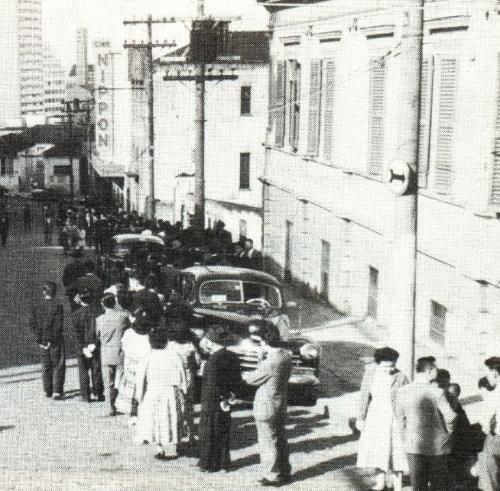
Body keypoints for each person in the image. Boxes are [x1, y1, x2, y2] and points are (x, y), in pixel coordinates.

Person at [242, 320, 292, 487]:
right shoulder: (285, 355)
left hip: (266, 405)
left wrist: (243, 373)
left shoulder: (271, 361)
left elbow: (252, 379)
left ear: (264, 341)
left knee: (267, 441)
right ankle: (285, 471)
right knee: (280, 439)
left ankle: (272, 475)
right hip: (280, 402)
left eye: (258, 341)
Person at [395, 356, 456, 491]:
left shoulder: (402, 391)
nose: (437, 370)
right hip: (437, 447)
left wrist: (405, 439)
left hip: (413, 446)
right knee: (438, 485)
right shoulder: (437, 392)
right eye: (436, 368)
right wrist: (448, 432)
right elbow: (451, 416)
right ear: (429, 371)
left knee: (418, 486)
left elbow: (400, 419)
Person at [356, 347, 408, 491]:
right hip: (376, 416)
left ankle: (398, 485)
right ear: (379, 363)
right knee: (378, 449)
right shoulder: (370, 373)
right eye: (386, 366)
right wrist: (361, 417)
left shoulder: (401, 377)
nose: (389, 369)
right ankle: (380, 482)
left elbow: (407, 399)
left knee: (396, 451)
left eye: (392, 365)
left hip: (394, 417)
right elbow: (364, 396)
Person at [135, 327, 188, 460]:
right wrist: (184, 390)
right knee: (173, 418)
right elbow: (183, 374)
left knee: (156, 420)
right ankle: (177, 445)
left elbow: (140, 379)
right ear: (166, 341)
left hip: (153, 392)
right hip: (171, 392)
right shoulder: (175, 355)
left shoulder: (147, 358)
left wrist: (139, 396)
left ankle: (160, 449)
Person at [198, 325, 243, 473]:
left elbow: (213, 383)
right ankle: (224, 463)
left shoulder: (212, 361)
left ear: (210, 342)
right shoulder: (233, 356)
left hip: (212, 401)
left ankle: (209, 463)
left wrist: (222, 398)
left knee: (209, 432)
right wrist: (230, 396)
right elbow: (237, 380)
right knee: (223, 431)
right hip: (228, 399)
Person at [166, 311, 201, 445]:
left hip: (172, 380)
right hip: (187, 380)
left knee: (175, 409)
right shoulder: (190, 347)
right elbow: (197, 363)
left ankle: (178, 437)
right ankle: (192, 435)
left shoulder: (168, 347)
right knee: (189, 408)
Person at [116, 308, 154, 423]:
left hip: (132, 364)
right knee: (145, 388)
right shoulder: (150, 333)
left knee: (133, 389)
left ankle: (134, 412)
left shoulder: (129, 333)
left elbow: (123, 347)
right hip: (147, 364)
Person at [29, 281, 65, 400]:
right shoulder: (58, 306)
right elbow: (58, 325)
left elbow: (32, 324)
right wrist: (51, 339)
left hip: (42, 340)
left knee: (46, 365)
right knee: (58, 364)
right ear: (54, 292)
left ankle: (47, 390)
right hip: (55, 340)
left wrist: (40, 339)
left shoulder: (36, 306)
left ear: (44, 292)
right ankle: (57, 391)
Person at [96, 293, 130, 416]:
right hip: (120, 351)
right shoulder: (123, 316)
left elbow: (97, 336)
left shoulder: (99, 319)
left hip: (106, 352)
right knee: (121, 379)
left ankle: (110, 406)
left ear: (102, 304)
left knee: (108, 381)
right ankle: (122, 403)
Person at [72, 289, 105, 402]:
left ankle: (85, 395)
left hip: (82, 344)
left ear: (80, 300)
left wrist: (83, 347)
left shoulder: (76, 314)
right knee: (96, 369)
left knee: (83, 370)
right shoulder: (99, 311)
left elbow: (77, 333)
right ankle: (98, 393)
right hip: (95, 343)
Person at [477, 357, 500, 491]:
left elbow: (485, 423)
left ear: (494, 373)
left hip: (496, 440)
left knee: (489, 482)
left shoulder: (495, 394)